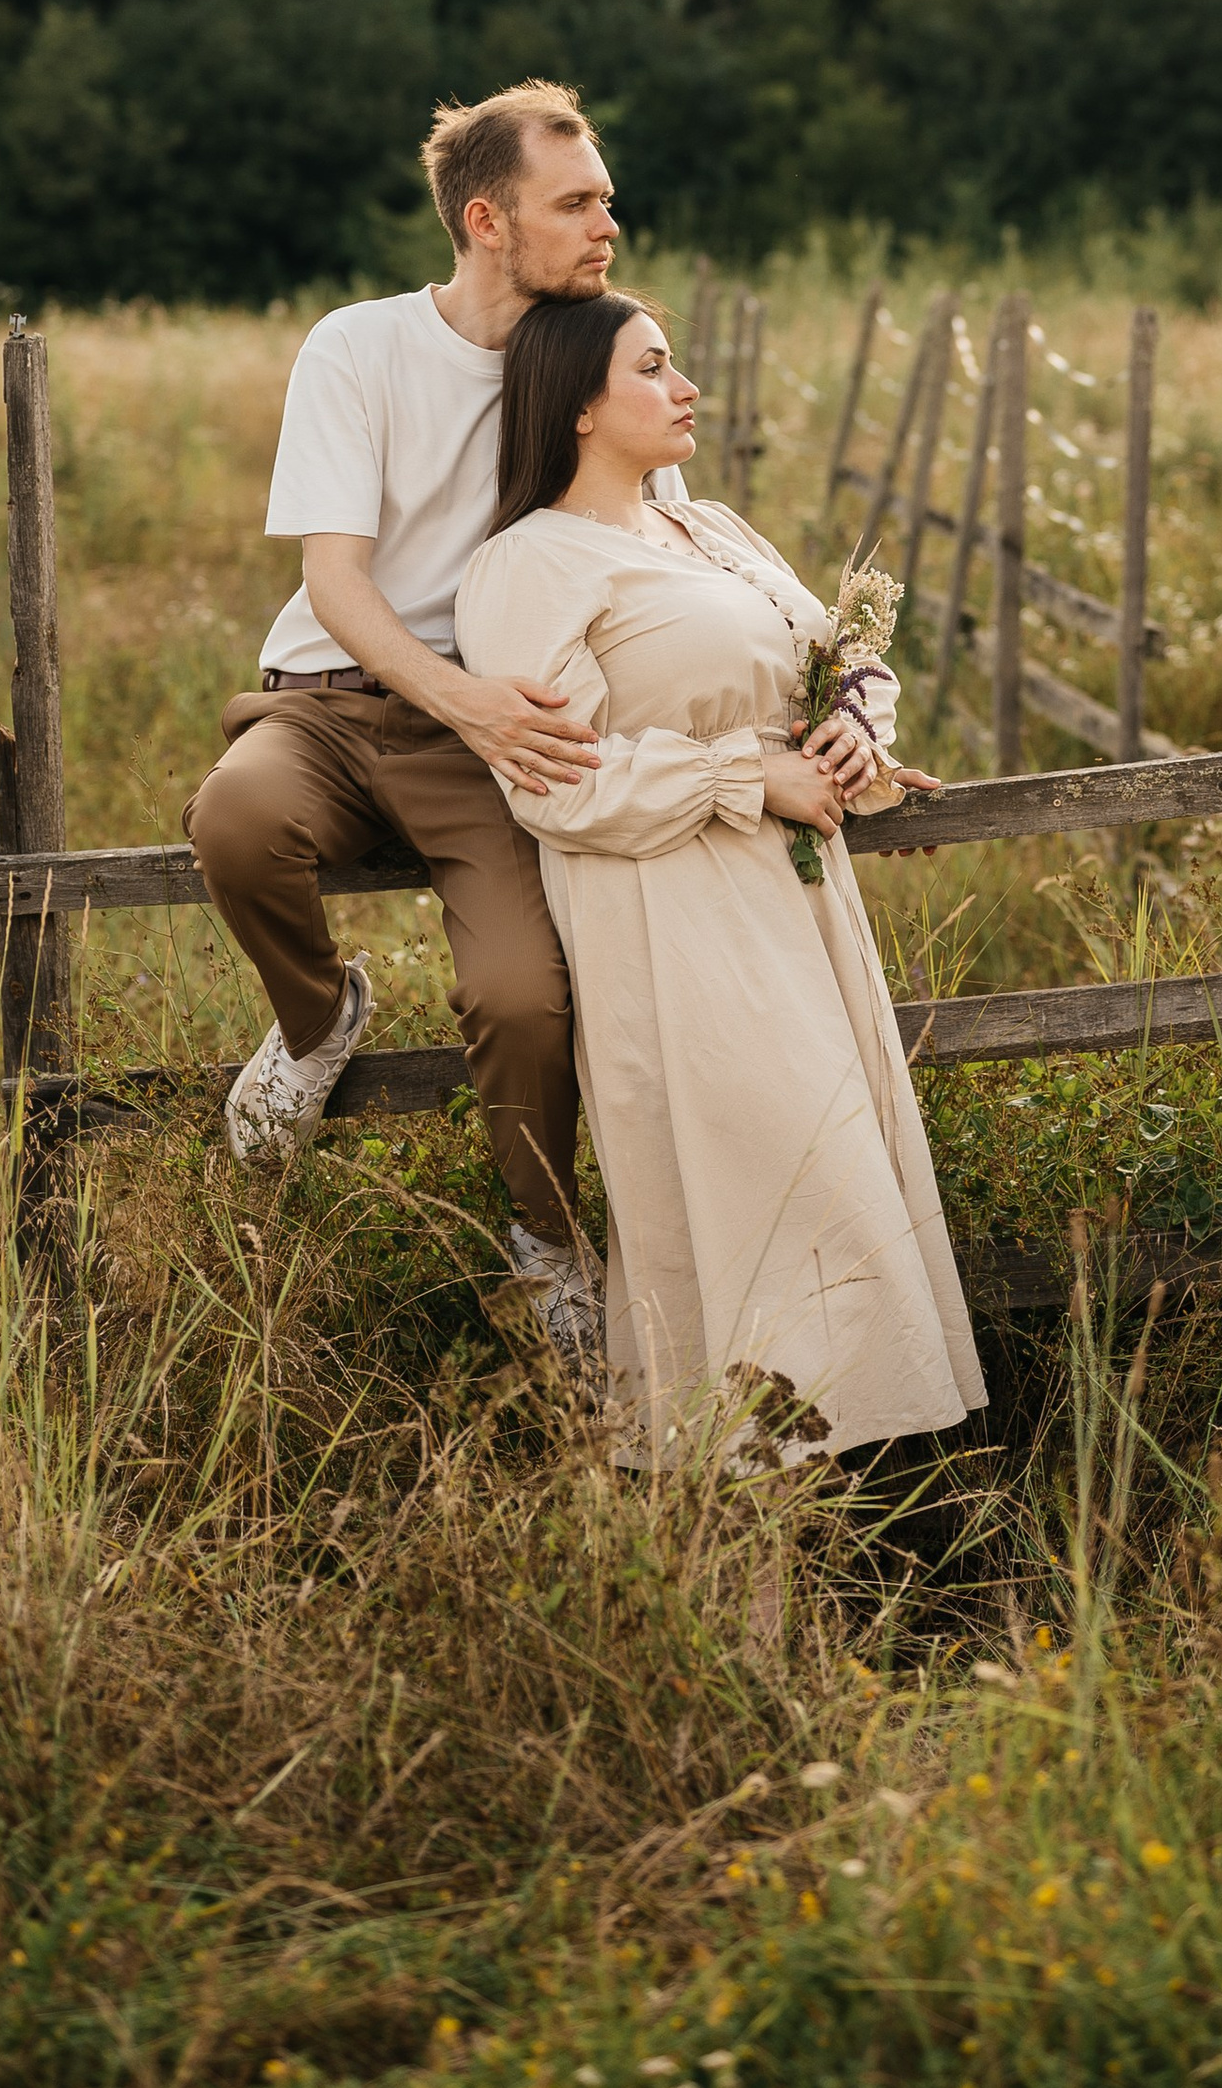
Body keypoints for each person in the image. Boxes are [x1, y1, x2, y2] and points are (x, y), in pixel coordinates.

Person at [455, 289, 986, 1468]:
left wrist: (850, 727)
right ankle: (740, 1525)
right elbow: (555, 784)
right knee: (776, 1207)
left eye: (677, 362)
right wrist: (747, 776)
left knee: (844, 1197)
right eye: (652, 367)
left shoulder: (717, 532)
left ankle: (857, 1537)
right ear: (579, 408)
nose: (684, 385)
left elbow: (838, 660)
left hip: (796, 911)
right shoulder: (525, 567)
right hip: (677, 919)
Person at [184, 79, 635, 1354]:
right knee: (234, 817)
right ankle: (318, 1017)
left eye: (606, 195)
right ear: (487, 218)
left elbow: (650, 548)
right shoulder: (358, 345)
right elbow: (335, 575)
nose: (610, 220)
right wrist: (463, 702)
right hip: (331, 699)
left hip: (493, 729)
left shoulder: (595, 352)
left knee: (521, 996)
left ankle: (548, 1244)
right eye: (578, 200)